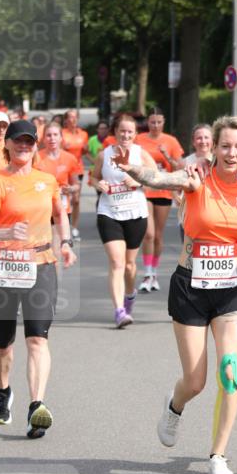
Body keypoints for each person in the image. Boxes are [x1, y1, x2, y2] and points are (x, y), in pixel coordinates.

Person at [118, 115, 237, 474]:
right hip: (190, 286)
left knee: (230, 371)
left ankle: (218, 456)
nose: (231, 153)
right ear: (213, 148)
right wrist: (132, 168)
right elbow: (158, 179)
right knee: (197, 380)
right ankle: (175, 406)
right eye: (225, 146)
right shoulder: (196, 177)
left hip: (230, 288)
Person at [0, 119, 77, 437]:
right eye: (18, 141)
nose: (24, 146)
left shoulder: (47, 181)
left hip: (41, 264)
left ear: (36, 145)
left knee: (37, 338)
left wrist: (65, 242)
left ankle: (36, 406)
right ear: (6, 144)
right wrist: (5, 231)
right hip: (3, 266)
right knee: (3, 343)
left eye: (29, 141)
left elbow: (61, 214)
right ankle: (3, 389)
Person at [91, 113, 154, 328]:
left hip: (135, 214)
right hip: (109, 213)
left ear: (135, 134)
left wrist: (138, 181)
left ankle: (129, 296)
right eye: (122, 131)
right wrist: (98, 184)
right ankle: (119, 311)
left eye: (130, 132)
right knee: (117, 262)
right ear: (115, 132)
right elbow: (93, 176)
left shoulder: (141, 154)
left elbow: (156, 176)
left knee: (129, 265)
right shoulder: (104, 155)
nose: (125, 135)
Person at [136, 106, 184, 292]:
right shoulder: (139, 140)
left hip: (163, 191)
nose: (155, 125)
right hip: (145, 190)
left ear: (163, 123)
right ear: (148, 122)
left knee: (158, 235)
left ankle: (154, 272)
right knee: (148, 234)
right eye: (152, 122)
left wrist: (166, 155)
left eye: (159, 122)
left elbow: (179, 166)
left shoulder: (171, 141)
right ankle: (147, 273)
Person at [35, 121, 81, 253]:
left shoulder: (70, 158)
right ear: (43, 139)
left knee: (55, 248)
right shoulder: (36, 158)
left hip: (62, 209)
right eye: (48, 135)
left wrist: (71, 189)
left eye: (55, 135)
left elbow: (76, 185)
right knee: (43, 249)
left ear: (61, 137)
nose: (52, 138)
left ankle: (52, 272)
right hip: (41, 208)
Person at [60, 109, 89, 238]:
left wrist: (85, 150)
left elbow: (83, 152)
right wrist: (62, 148)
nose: (72, 119)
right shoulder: (61, 133)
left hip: (78, 169)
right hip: (64, 170)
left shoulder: (83, 134)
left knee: (76, 200)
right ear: (66, 120)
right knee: (65, 199)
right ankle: (63, 225)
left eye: (75, 117)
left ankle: (74, 227)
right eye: (70, 117)